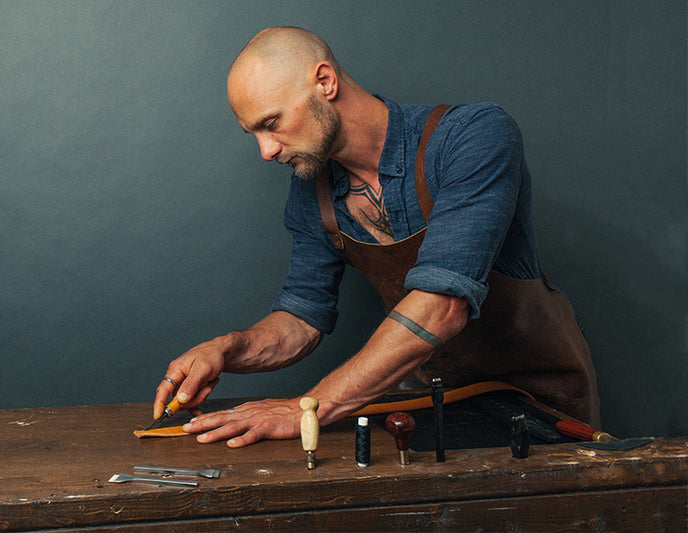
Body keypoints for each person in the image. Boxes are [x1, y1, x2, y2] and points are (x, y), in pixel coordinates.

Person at [151, 26, 598, 448]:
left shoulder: (472, 136)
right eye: (254, 134)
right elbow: (301, 319)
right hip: (433, 401)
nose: (266, 151)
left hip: (540, 404)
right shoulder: (313, 189)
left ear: (324, 81)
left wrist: (306, 409)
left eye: (271, 123)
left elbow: (442, 305)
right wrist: (226, 350)